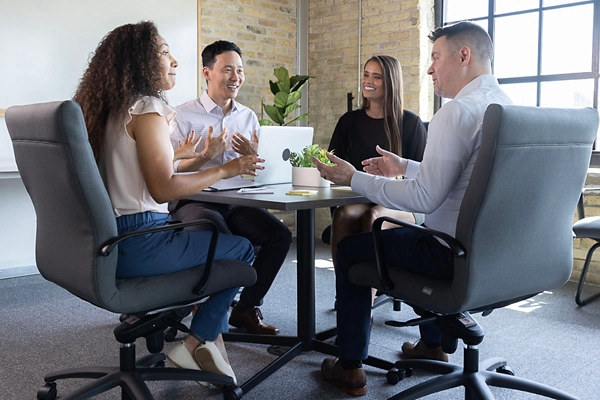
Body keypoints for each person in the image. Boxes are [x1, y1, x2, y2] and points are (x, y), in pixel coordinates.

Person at [312, 21, 512, 396]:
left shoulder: (456, 112)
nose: (431, 68)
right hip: (499, 254)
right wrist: (405, 167)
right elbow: (468, 176)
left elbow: (423, 199)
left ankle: (350, 366)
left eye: (436, 57)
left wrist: (354, 178)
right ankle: (432, 345)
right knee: (382, 234)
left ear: (463, 56)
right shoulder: (504, 106)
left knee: (353, 250)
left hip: (448, 253)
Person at [73, 21, 264, 385]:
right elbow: (162, 189)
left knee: (220, 242)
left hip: (110, 241)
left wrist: (189, 155)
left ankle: (201, 341)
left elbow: (140, 168)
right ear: (140, 61)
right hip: (142, 240)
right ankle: (196, 342)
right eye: (163, 52)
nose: (174, 61)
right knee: (240, 249)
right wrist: (227, 169)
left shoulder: (112, 109)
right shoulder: (148, 107)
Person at [168, 40, 292, 336]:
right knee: (220, 237)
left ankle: (246, 308)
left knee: (279, 236)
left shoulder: (247, 117)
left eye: (239, 70)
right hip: (195, 200)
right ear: (207, 73)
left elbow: (260, 170)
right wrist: (206, 156)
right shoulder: (183, 115)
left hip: (238, 200)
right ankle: (201, 304)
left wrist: (257, 156)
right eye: (227, 70)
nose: (235, 77)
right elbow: (169, 171)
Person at [327, 55, 427, 270]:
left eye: (377, 77)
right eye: (365, 75)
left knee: (374, 217)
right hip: (362, 196)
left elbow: (424, 177)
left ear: (391, 83)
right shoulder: (348, 121)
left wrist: (396, 175)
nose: (368, 81)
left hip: (403, 201)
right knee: (342, 215)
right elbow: (336, 165)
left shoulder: (410, 123)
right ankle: (346, 293)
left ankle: (367, 296)